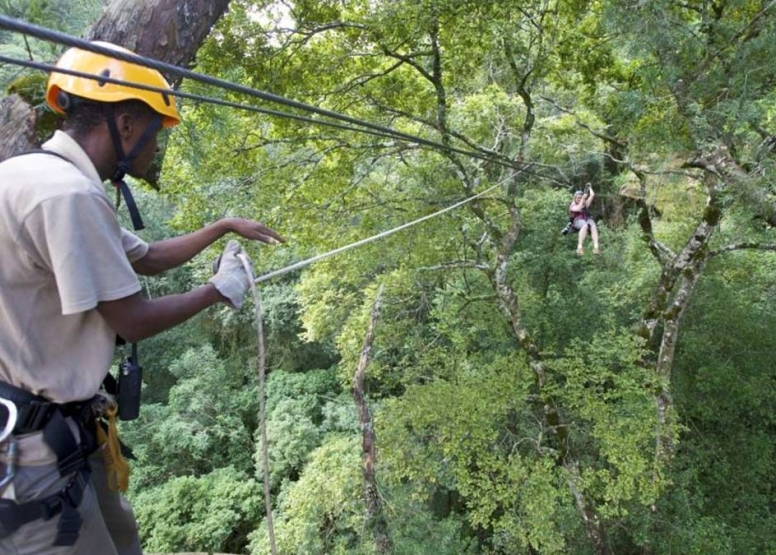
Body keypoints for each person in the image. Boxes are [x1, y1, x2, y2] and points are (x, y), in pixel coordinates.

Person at [0, 42, 284, 554]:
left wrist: (220, 227)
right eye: (156, 135)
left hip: (59, 429)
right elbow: (130, 320)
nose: (156, 150)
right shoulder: (70, 196)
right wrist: (217, 292)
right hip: (36, 450)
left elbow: (146, 256)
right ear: (127, 124)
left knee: (124, 541)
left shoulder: (29, 174)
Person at [568, 185, 600, 255]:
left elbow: (592, 195)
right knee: (585, 225)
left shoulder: (585, 204)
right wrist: (583, 199)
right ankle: (579, 247)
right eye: (578, 198)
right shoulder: (572, 205)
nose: (579, 199)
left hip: (586, 219)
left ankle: (596, 247)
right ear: (575, 198)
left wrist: (590, 187)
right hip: (577, 221)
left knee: (593, 225)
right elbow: (578, 209)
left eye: (580, 197)